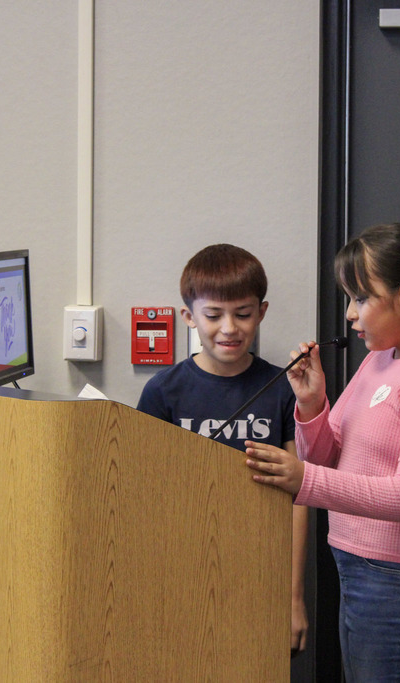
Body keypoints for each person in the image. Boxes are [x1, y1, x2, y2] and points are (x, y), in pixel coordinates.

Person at [245, 223, 400, 682]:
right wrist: (311, 404)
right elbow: (325, 457)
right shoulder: (381, 357)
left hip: (398, 579)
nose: (350, 315)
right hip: (356, 567)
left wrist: (303, 482)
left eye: (361, 299)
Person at [135, 243, 310, 657]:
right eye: (213, 315)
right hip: (179, 572)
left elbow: (301, 497)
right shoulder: (163, 391)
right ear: (189, 317)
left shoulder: (285, 388)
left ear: (262, 313)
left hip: (262, 571)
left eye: (243, 314)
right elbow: (144, 492)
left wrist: (293, 596)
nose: (229, 328)